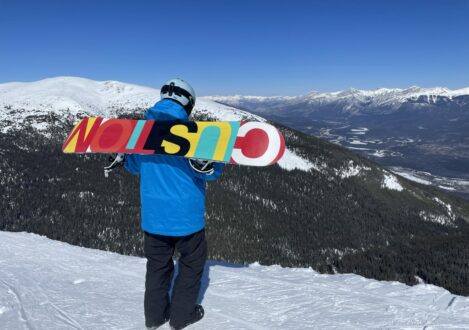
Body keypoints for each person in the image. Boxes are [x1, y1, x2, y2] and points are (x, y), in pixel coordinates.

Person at [108, 79, 223, 329]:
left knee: (157, 269)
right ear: (188, 103)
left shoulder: (143, 133)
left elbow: (134, 166)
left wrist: (122, 158)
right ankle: (181, 318)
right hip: (187, 221)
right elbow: (211, 173)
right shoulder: (196, 133)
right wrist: (207, 162)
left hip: (153, 219)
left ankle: (154, 318)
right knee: (191, 267)